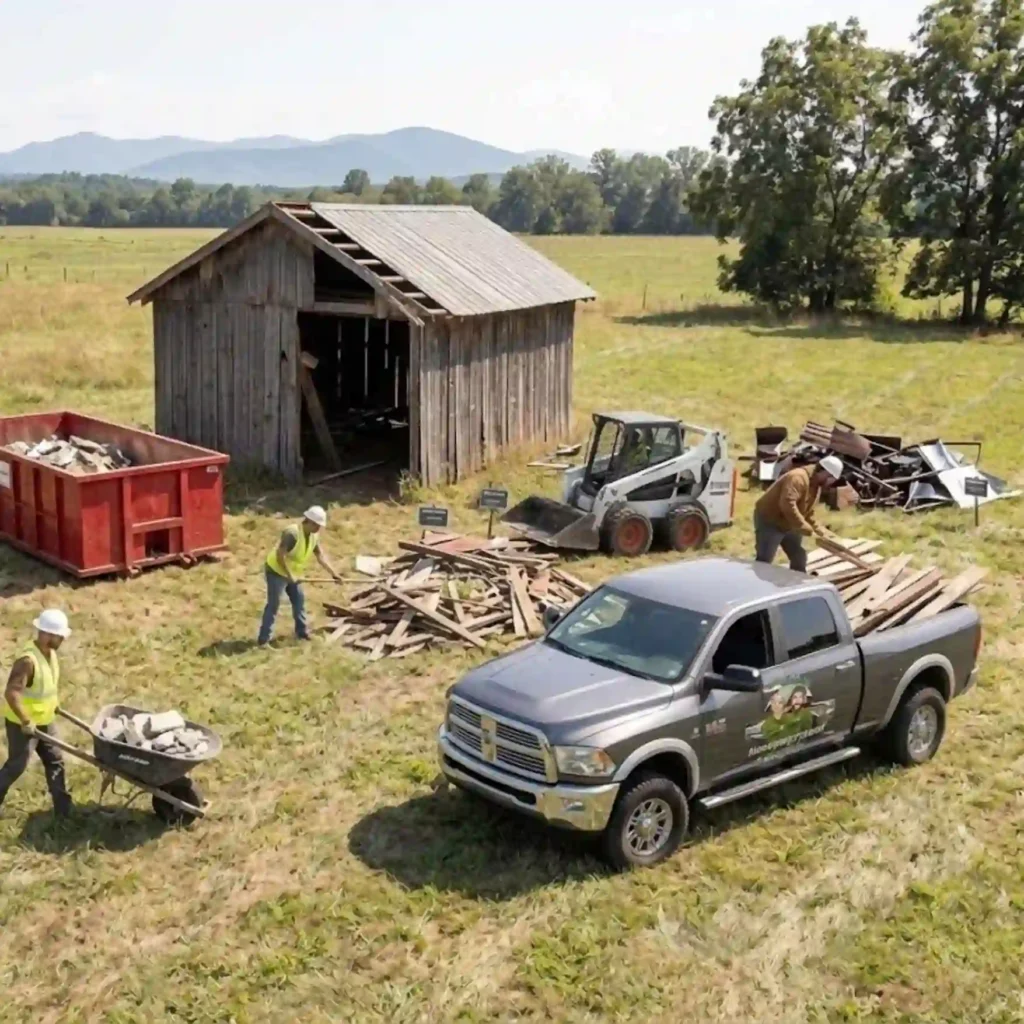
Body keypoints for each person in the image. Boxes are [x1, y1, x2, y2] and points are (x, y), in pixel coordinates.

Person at [0, 609, 74, 818]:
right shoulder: (27, 661)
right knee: (16, 766)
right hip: (22, 724)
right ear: (49, 635)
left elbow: (45, 688)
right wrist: (25, 719)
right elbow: (12, 693)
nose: (62, 640)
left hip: (45, 720)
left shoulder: (50, 654)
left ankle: (63, 810)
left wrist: (54, 705)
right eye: (60, 636)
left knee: (56, 760)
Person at [258, 505, 340, 646]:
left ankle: (302, 633)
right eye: (317, 525)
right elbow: (280, 555)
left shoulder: (314, 536)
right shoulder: (292, 533)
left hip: (293, 574)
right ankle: (264, 640)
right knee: (274, 604)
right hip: (276, 571)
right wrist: (289, 575)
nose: (318, 529)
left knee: (299, 602)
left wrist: (334, 574)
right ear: (309, 521)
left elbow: (320, 556)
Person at [753, 456, 843, 572]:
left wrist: (821, 532)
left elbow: (808, 513)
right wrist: (804, 527)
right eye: (831, 478)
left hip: (791, 522)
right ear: (823, 471)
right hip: (771, 521)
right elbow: (787, 504)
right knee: (765, 559)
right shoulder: (798, 478)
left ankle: (796, 585)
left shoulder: (816, 486)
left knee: (799, 557)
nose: (831, 482)